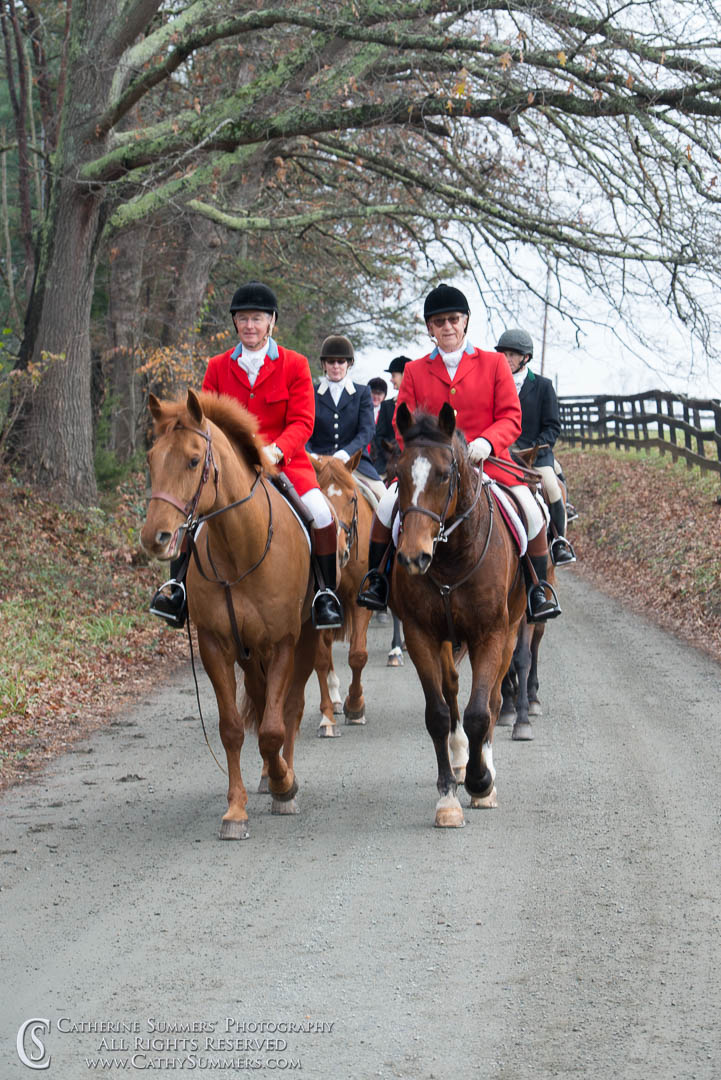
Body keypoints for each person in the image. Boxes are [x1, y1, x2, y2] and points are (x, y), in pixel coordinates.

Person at [357, 284, 561, 622]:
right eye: (439, 322)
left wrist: (488, 442)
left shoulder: (494, 363)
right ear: (429, 328)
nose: (447, 327)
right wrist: (423, 450)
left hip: (489, 464)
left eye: (453, 319)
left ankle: (537, 589)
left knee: (532, 508)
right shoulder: (416, 371)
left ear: (465, 321)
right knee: (385, 508)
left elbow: (511, 417)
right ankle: (377, 581)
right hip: (433, 470)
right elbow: (400, 421)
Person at [150, 281, 343, 630]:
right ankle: (176, 589)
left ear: (271, 322)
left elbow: (303, 421)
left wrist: (277, 448)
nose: (249, 326)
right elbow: (203, 424)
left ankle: (324, 595)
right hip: (229, 470)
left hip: (286, 464)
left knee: (321, 514)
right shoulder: (218, 366)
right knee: (193, 519)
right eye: (242, 319)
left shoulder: (295, 365)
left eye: (256, 318)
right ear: (235, 324)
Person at [495, 328, 575, 566]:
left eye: (512, 355)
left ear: (525, 358)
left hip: (534, 455)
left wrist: (534, 448)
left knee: (550, 485)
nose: (506, 359)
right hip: (501, 453)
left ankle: (559, 542)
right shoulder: (495, 383)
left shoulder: (542, 386)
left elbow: (552, 426)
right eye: (503, 354)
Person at [307, 335, 386, 501]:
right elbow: (304, 427)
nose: (336, 366)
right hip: (318, 462)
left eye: (341, 361)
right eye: (331, 362)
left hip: (354, 462)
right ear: (324, 364)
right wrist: (311, 455)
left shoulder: (362, 393)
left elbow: (367, 431)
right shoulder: (311, 393)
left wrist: (346, 453)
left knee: (384, 498)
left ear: (349, 363)